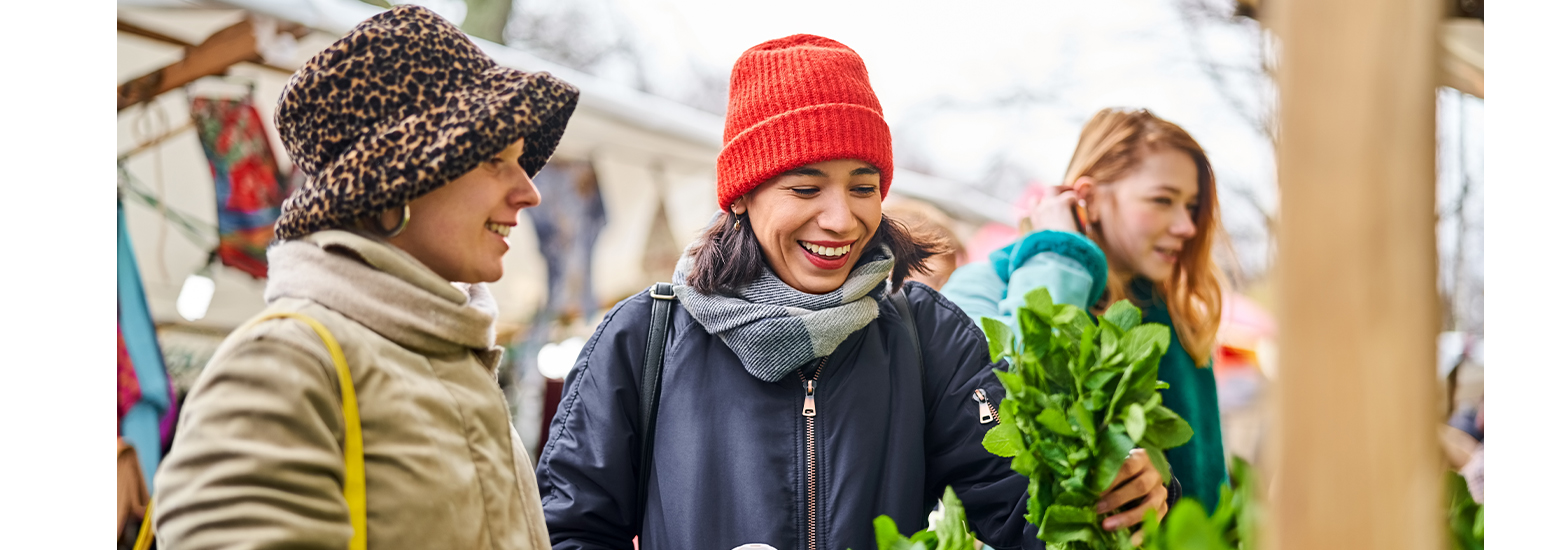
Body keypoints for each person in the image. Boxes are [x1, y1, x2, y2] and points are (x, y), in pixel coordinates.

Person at [536, 35, 1167, 550]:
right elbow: (567, 532)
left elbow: (1021, 515)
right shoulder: (645, 335)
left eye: (863, 188)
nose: (841, 220)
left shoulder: (928, 335)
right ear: (743, 196)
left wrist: (1109, 492)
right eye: (806, 190)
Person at [150, 6, 579, 549]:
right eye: (495, 158)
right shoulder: (287, 364)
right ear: (393, 182)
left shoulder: (456, 360)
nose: (529, 191)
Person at [943, 107, 1231, 512]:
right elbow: (1012, 412)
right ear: (1089, 199)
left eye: (1191, 207)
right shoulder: (981, 288)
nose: (1187, 226)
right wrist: (1059, 255)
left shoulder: (1175, 318)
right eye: (1163, 200)